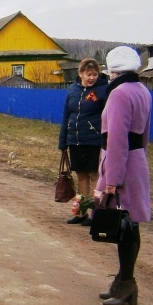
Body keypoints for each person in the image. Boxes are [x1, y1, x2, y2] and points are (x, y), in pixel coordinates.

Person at [95, 46, 152, 305]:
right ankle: (123, 280)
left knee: (124, 224)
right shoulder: (142, 90)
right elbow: (145, 133)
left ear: (113, 70)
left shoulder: (119, 93)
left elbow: (117, 137)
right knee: (131, 223)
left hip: (122, 163)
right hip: (136, 159)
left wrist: (112, 179)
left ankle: (127, 282)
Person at [59, 58, 108, 223]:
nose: (92, 78)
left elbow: (108, 116)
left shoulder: (103, 90)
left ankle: (96, 214)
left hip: (94, 140)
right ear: (80, 74)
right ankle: (81, 213)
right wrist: (63, 141)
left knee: (94, 175)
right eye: (88, 74)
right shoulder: (73, 90)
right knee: (81, 175)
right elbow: (66, 116)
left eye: (94, 74)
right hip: (75, 140)